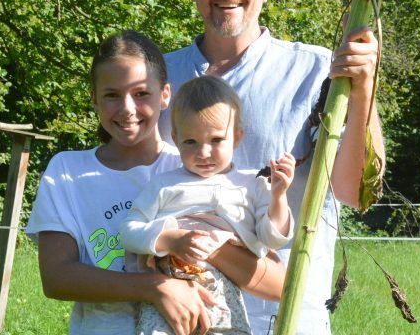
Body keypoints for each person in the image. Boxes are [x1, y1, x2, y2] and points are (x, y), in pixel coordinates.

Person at [159, 0, 385, 335]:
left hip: (285, 317)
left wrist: (363, 90)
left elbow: (353, 192)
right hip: (175, 318)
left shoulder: (318, 71)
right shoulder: (157, 79)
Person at [26, 30, 288, 335]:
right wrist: (156, 287)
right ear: (94, 99)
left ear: (165, 94)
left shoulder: (199, 167)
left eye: (141, 93)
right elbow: (57, 278)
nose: (127, 108)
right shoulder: (68, 171)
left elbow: (277, 284)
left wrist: (200, 244)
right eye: (112, 95)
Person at [121, 75, 296, 334]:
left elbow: (273, 239)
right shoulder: (164, 185)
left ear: (237, 138)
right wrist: (169, 239)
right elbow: (129, 231)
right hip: (168, 285)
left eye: (216, 140)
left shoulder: (252, 185)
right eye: (191, 142)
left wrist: (279, 196)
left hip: (224, 290)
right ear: (176, 137)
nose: (203, 153)